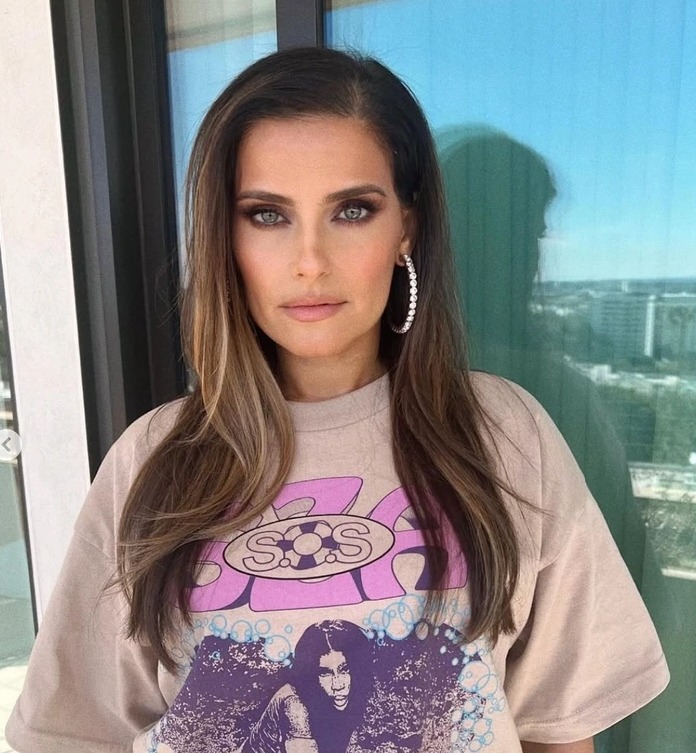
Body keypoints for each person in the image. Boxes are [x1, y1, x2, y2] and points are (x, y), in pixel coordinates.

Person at [5, 46, 669, 753]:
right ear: (225, 235)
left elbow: (557, 730)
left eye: (352, 210)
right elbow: (77, 735)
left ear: (405, 226)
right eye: (267, 215)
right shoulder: (153, 459)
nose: (310, 261)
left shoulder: (505, 434)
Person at [239, 620, 373, 752]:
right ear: (311, 675)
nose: (337, 685)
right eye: (325, 673)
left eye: (345, 670)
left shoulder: (354, 691)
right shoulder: (296, 706)